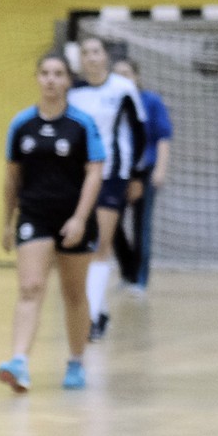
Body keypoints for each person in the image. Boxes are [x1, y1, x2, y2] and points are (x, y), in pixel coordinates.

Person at [0, 54, 105, 393]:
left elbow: (95, 173)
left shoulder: (82, 124)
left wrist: (80, 218)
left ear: (68, 81)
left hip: (73, 217)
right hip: (34, 216)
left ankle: (76, 361)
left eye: (58, 74)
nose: (50, 80)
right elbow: (12, 177)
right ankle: (19, 362)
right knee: (30, 287)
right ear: (37, 78)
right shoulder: (21, 124)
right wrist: (7, 221)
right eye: (44, 73)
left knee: (74, 293)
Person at [65, 36, 146, 341]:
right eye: (86, 53)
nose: (91, 57)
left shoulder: (122, 89)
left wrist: (137, 175)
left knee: (101, 243)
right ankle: (97, 309)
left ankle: (91, 317)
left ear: (105, 57)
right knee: (81, 246)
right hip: (80, 177)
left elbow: (139, 132)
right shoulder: (73, 92)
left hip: (113, 174)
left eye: (96, 52)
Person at [111, 58, 172, 290]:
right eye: (117, 74)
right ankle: (128, 272)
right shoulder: (111, 102)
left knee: (141, 224)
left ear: (136, 76)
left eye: (126, 73)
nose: (122, 78)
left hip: (145, 170)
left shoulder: (151, 101)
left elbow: (163, 137)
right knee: (110, 222)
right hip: (117, 171)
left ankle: (141, 279)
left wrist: (160, 169)